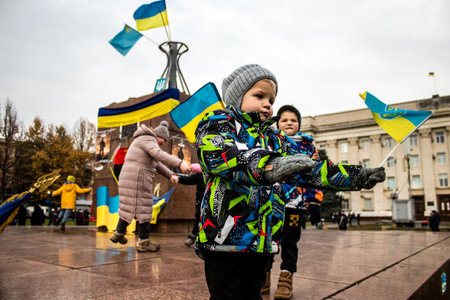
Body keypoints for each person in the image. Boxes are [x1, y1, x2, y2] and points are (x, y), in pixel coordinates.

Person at [194, 64, 386, 300]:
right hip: (223, 240)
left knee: (252, 294)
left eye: (271, 99)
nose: (268, 104)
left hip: (262, 242)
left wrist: (356, 176)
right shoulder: (217, 124)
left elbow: (310, 168)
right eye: (259, 96)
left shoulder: (275, 139)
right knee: (226, 295)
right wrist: (268, 166)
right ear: (236, 97)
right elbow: (220, 155)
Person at [262, 105, 324, 299]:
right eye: (284, 120)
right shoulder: (270, 143)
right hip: (273, 203)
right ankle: (263, 277)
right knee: (269, 242)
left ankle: (286, 279)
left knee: (290, 243)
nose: (289, 123)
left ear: (299, 124)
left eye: (293, 120)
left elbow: (316, 175)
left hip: (295, 206)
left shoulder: (308, 147)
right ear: (277, 123)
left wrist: (315, 202)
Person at [110, 121, 191, 252]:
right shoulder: (148, 139)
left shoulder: (142, 140)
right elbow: (160, 155)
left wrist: (171, 175)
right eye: (163, 139)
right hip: (137, 179)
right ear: (158, 135)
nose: (163, 143)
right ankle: (144, 242)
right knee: (144, 209)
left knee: (129, 206)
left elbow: (157, 163)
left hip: (129, 178)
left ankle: (118, 233)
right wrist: (180, 163)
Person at [177, 163, 205, 247]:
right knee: (199, 219)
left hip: (214, 201)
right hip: (201, 202)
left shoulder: (217, 173)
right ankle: (193, 237)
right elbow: (188, 179)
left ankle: (200, 238)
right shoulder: (200, 174)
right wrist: (176, 178)